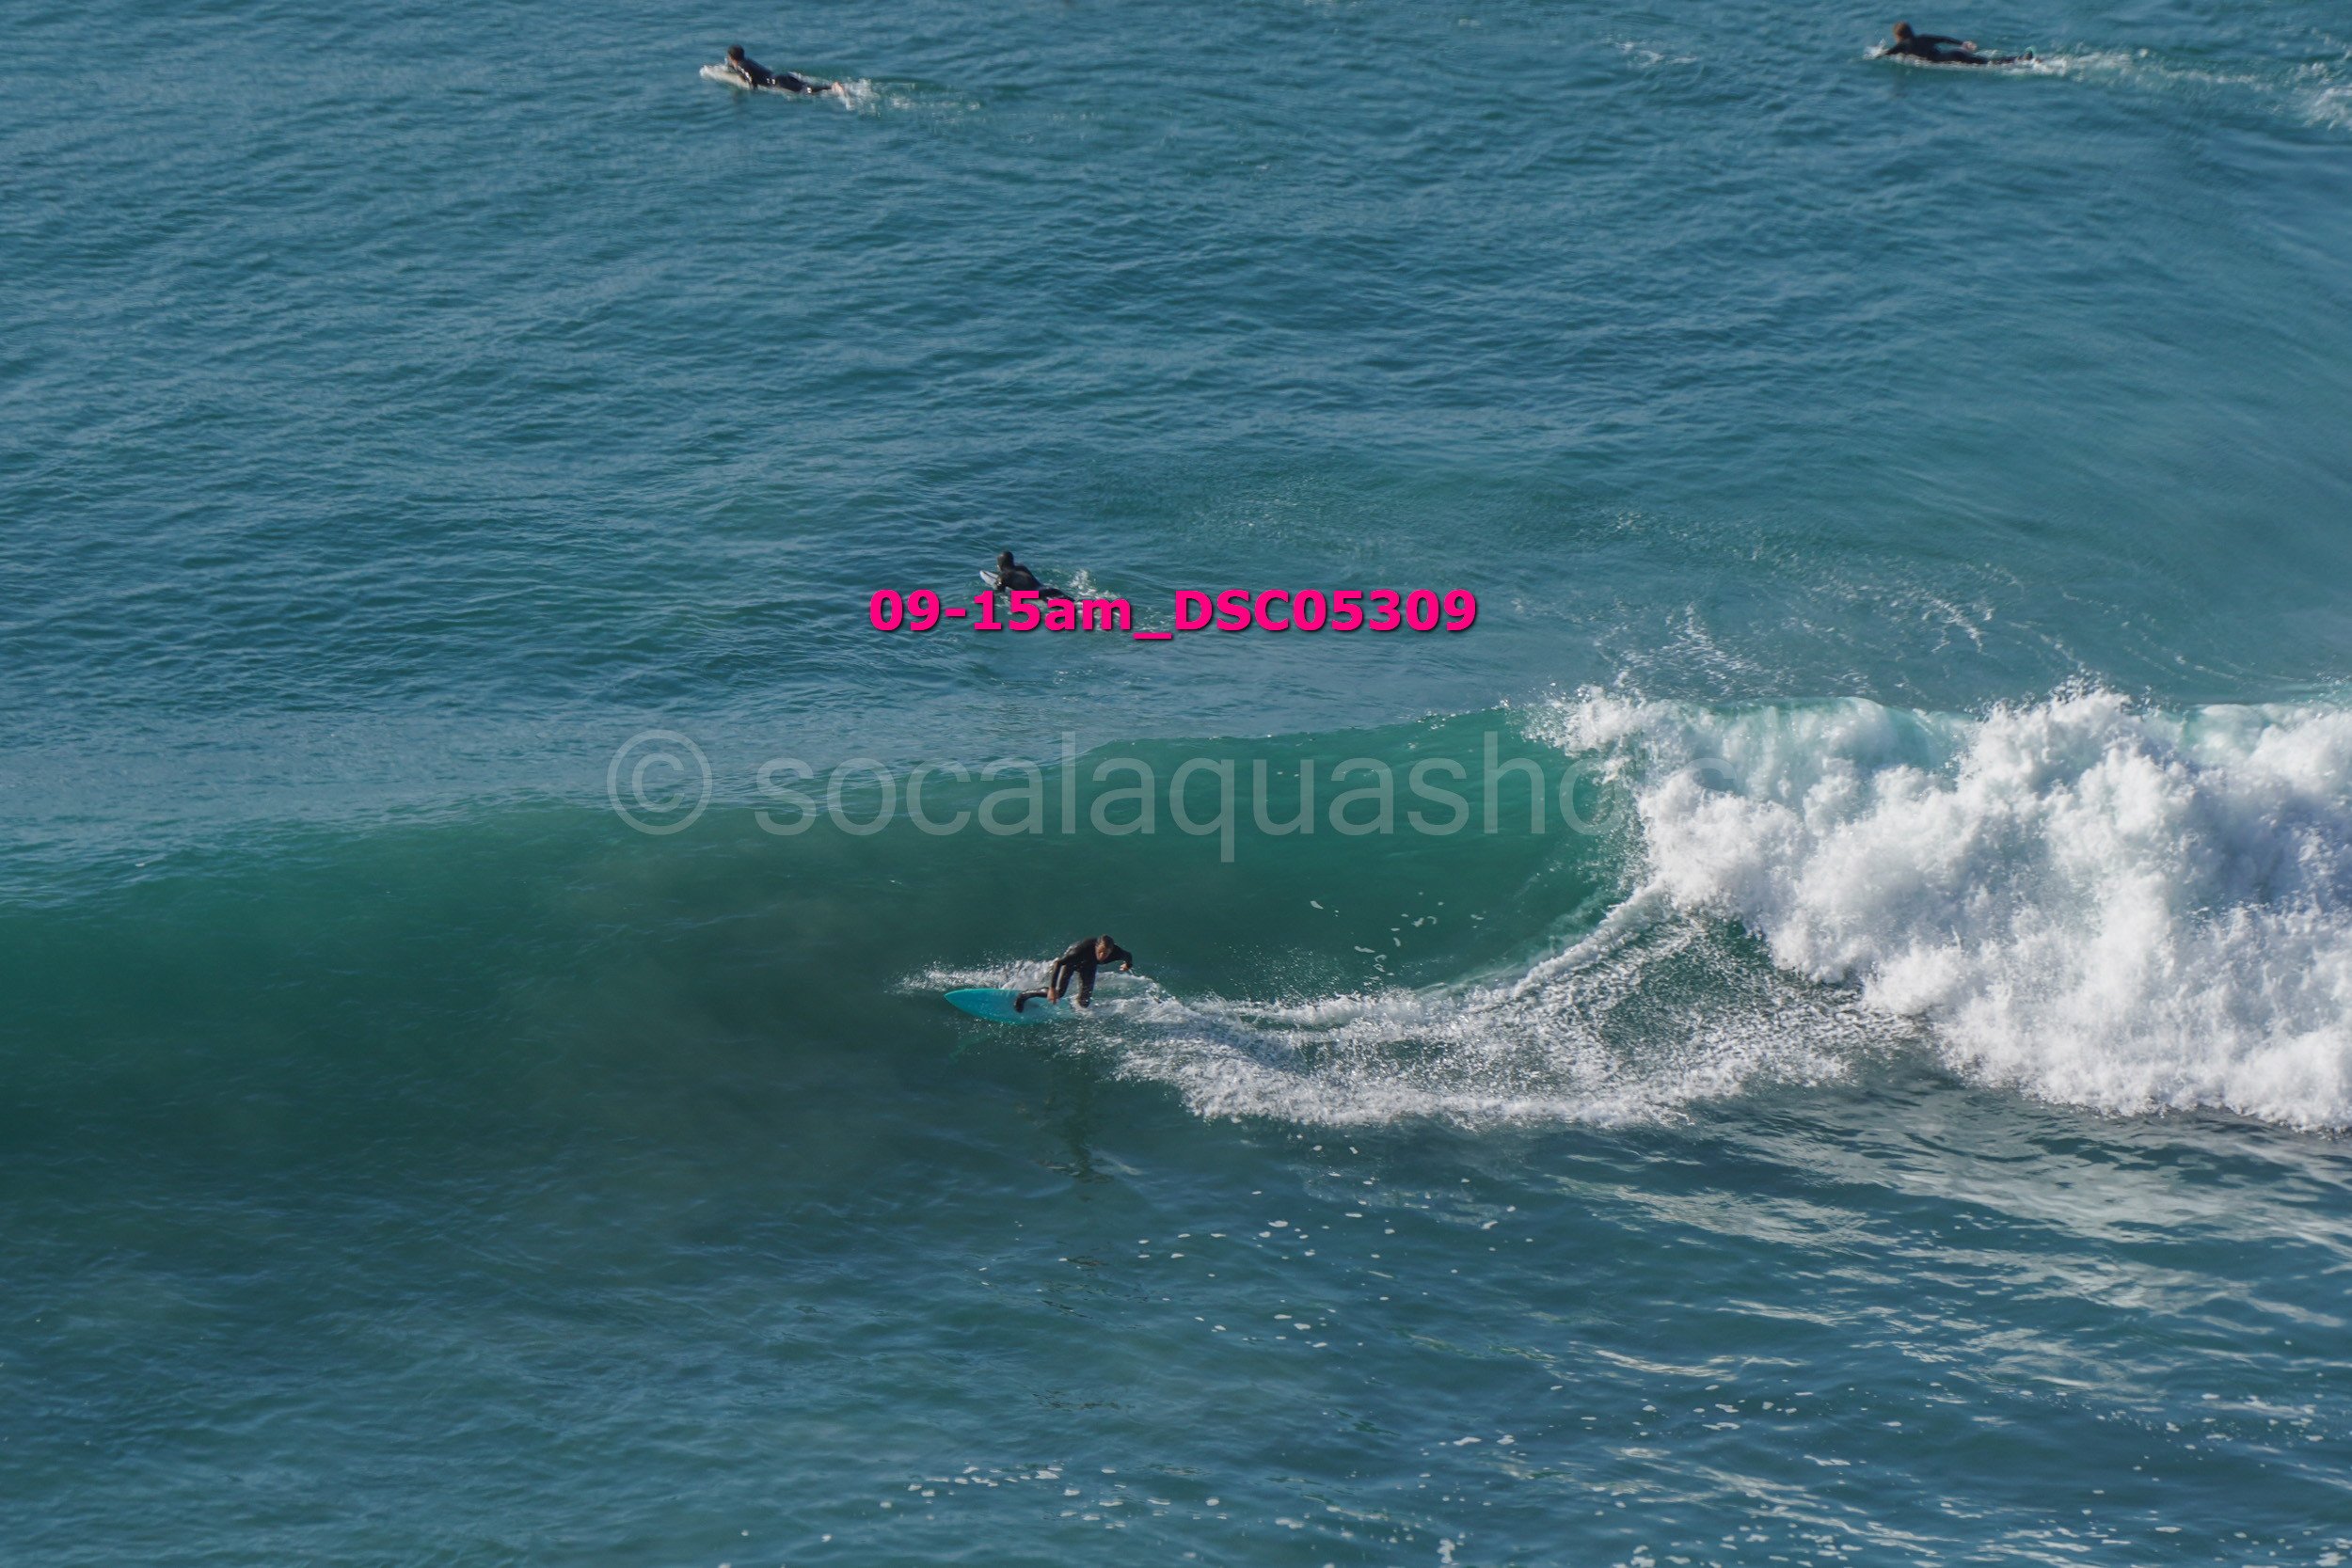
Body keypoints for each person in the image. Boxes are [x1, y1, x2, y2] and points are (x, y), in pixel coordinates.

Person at [1014, 935, 1135, 1011]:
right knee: (1059, 993)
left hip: (1088, 965)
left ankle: (1072, 1007)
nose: (1102, 955)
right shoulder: (1080, 950)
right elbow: (1059, 964)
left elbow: (1128, 956)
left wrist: (1127, 965)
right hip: (1072, 962)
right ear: (1096, 947)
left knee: (1084, 1003)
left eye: (1106, 953)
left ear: (1111, 950)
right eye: (1100, 951)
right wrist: (1052, 988)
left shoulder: (1117, 953)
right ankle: (1024, 995)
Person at [1878, 22, 2028, 65]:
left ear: (1898, 36)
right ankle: (2021, 58)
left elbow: (1884, 55)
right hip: (1955, 53)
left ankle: (2022, 60)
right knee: (1989, 61)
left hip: (1951, 59)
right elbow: (1944, 39)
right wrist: (1963, 42)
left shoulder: (1902, 45)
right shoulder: (1923, 37)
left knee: (1990, 63)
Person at [722, 44, 837, 95]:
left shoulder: (742, 66)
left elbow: (750, 78)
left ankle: (832, 88)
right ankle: (830, 86)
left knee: (804, 91)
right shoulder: (747, 61)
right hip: (779, 76)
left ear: (731, 57)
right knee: (804, 85)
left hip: (776, 82)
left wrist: (753, 90)